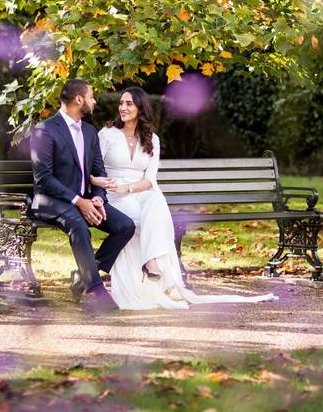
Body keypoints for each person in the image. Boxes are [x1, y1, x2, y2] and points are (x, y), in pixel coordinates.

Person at [91, 86, 277, 309]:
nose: (123, 107)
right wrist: (102, 184)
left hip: (137, 190)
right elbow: (92, 170)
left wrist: (128, 188)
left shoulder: (152, 139)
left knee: (153, 200)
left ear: (141, 108)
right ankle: (148, 265)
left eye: (129, 103)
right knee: (144, 220)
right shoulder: (107, 134)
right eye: (121, 103)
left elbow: (150, 180)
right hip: (112, 193)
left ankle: (150, 262)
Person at [30, 78, 136, 309]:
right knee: (78, 224)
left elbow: (98, 171)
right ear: (79, 100)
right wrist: (80, 202)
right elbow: (43, 179)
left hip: (85, 199)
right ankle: (96, 291)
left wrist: (98, 197)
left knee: (125, 226)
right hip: (51, 201)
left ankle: (84, 276)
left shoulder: (89, 132)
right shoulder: (44, 131)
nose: (94, 101)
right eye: (91, 96)